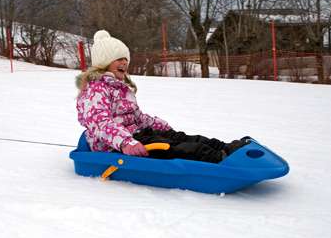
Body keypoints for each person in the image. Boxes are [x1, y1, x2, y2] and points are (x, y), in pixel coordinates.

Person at [75, 30, 249, 163]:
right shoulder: (96, 89)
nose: (124, 62)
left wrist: (159, 125)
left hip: (137, 135)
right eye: (118, 58)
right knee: (176, 148)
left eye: (125, 58)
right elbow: (99, 122)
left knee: (181, 137)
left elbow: (137, 117)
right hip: (115, 146)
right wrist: (125, 142)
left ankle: (227, 147)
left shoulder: (120, 88)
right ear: (104, 62)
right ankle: (222, 158)